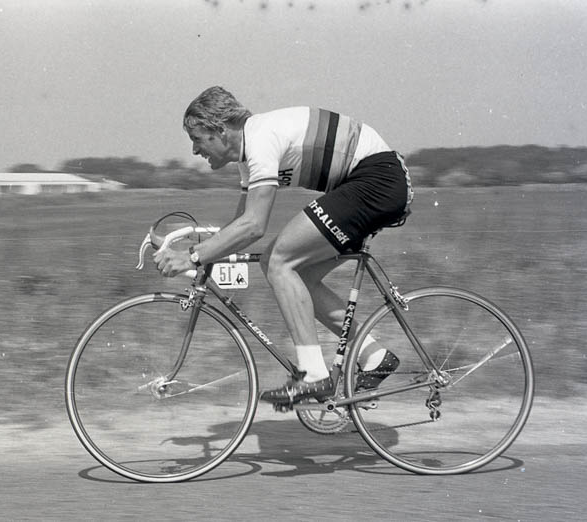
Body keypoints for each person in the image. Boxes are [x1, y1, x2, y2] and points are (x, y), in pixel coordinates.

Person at [154, 86, 413, 405]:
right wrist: (190, 246)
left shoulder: (261, 139)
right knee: (296, 276)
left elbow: (253, 227)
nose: (194, 150)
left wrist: (192, 257)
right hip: (370, 183)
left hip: (375, 181)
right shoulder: (248, 158)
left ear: (220, 130)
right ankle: (374, 356)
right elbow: (238, 228)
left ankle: (314, 375)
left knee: (278, 262)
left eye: (197, 138)